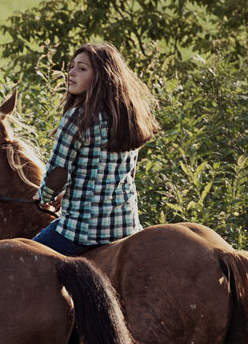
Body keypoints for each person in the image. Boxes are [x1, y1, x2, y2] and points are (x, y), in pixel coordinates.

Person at [32, 43, 158, 256]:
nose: (71, 73)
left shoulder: (77, 118)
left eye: (82, 68)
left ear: (101, 76)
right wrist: (68, 194)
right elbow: (123, 173)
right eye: (72, 67)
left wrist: (44, 196)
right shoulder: (129, 117)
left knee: (28, 262)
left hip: (82, 231)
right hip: (126, 227)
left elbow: (58, 172)